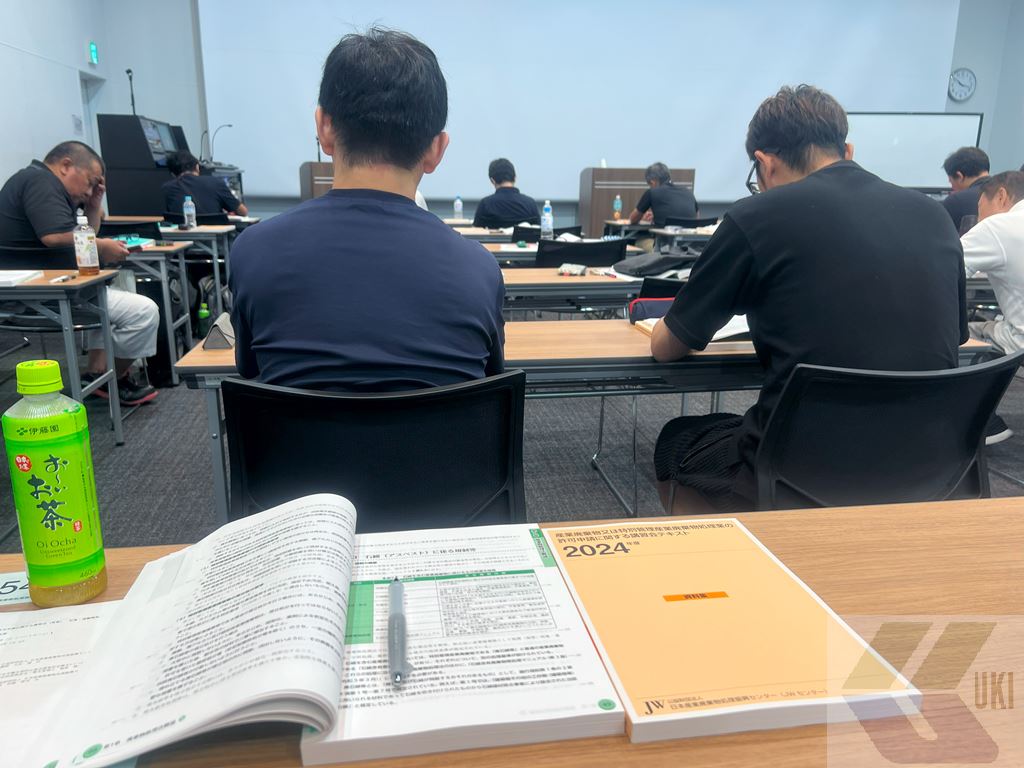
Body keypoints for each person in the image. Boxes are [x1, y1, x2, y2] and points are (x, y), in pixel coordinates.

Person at [650, 85, 966, 513]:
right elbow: (955, 338)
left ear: (764, 163)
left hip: (798, 472)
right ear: (847, 150)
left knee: (677, 439)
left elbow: (668, 347)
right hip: (932, 467)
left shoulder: (755, 217)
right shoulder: (934, 215)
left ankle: (731, 547)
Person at [229, 28, 504, 391]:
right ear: (437, 149)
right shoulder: (480, 269)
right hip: (439, 432)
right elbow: (490, 379)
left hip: (296, 432)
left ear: (324, 128)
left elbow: (250, 371)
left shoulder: (253, 251)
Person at [0, 141, 159, 405]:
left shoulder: (37, 181)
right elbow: (54, 236)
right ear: (66, 166)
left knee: (111, 289)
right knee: (144, 312)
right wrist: (102, 246)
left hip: (46, 290)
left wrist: (94, 204)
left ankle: (97, 373)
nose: (89, 190)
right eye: (90, 182)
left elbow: (85, 234)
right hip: (40, 297)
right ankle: (112, 379)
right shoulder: (41, 182)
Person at [961, 171, 1024, 354]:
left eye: (980, 208)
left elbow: (942, 270)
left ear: (1001, 196)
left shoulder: (997, 226)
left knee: (957, 334)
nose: (979, 219)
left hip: (1019, 349)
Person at [162, 151, 248, 216]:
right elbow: (243, 212)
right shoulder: (216, 182)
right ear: (197, 167)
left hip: (182, 234)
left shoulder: (166, 188)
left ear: (173, 174)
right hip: (216, 233)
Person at [472, 158, 540, 228]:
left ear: (492, 181)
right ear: (515, 178)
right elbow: (539, 230)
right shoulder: (530, 204)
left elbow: (475, 231)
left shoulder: (485, 204)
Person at [628, 163, 699, 227]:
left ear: (652, 182)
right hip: (689, 237)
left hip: (664, 237)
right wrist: (658, 216)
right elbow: (696, 217)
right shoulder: (688, 192)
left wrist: (642, 217)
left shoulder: (652, 192)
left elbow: (633, 219)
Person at [942, 147, 990, 232]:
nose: (952, 187)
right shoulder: (1010, 192)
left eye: (951, 181)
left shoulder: (956, 201)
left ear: (959, 176)